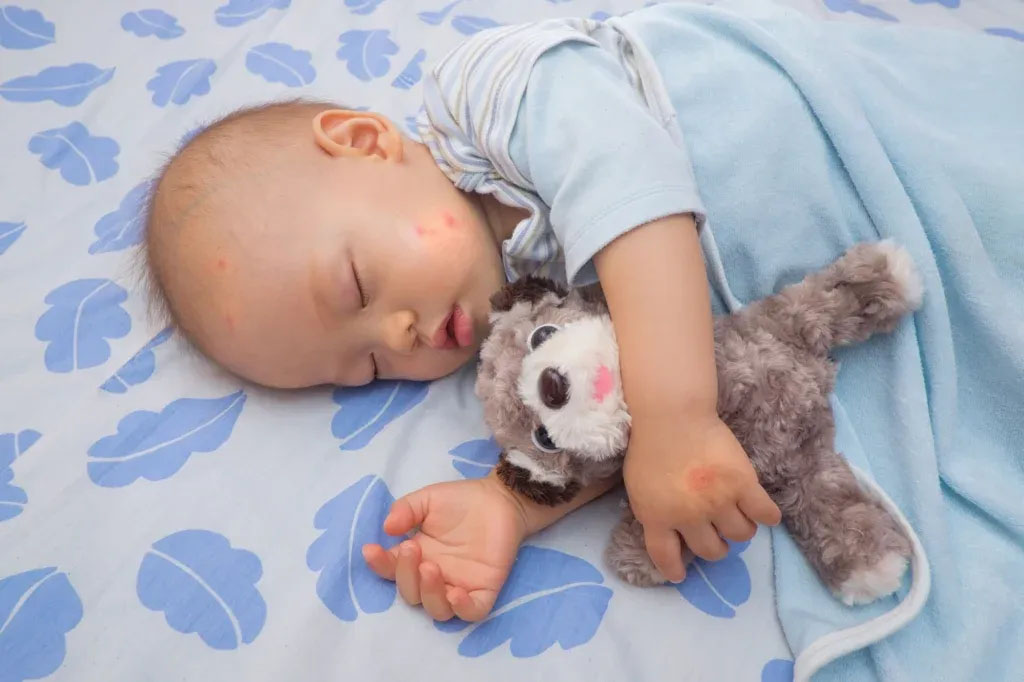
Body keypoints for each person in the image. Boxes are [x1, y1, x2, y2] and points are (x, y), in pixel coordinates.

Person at [142, 0, 1024, 626]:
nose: (395, 337)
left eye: (356, 290)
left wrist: (678, 420)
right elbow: (605, 407)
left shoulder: (485, 98)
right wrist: (511, 509)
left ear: (365, 142)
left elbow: (628, 179)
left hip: (876, 130)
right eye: (364, 366)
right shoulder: (522, 328)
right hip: (898, 258)